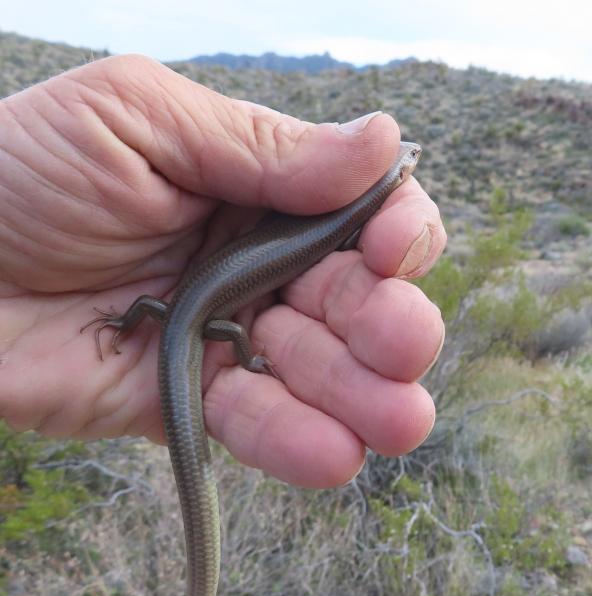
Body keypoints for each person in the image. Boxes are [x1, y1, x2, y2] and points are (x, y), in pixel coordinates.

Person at [0, 55, 446, 487]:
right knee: (233, 336)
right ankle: (245, 359)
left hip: (178, 313)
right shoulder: (350, 213)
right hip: (191, 319)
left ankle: (137, 326)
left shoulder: (346, 206)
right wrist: (248, 359)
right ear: (401, 175)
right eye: (410, 158)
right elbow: (215, 321)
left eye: (408, 156)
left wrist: (123, 322)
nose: (410, 157)